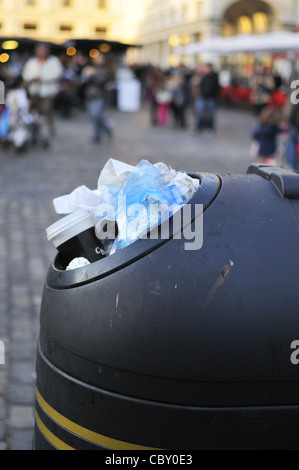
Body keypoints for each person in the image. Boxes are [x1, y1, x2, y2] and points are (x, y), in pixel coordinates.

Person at [22, 44, 63, 148]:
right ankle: (34, 134)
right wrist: (33, 78)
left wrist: (43, 78)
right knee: (33, 115)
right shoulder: (31, 62)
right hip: (34, 93)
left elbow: (57, 73)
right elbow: (26, 74)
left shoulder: (53, 61)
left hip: (47, 93)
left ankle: (46, 136)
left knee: (45, 113)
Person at [82, 53, 113, 144]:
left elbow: (102, 81)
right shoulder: (91, 68)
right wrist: (85, 74)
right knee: (93, 115)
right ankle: (106, 129)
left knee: (96, 114)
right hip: (90, 95)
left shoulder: (105, 69)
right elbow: (83, 82)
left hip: (99, 95)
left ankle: (97, 134)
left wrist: (92, 74)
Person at [194, 63, 220, 134]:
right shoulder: (202, 76)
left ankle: (210, 128)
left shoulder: (214, 76)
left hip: (211, 98)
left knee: (211, 114)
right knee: (200, 113)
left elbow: (217, 87)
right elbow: (198, 85)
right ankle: (198, 127)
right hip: (202, 97)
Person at [287, 102, 299, 172]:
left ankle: (293, 167)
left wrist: (290, 121)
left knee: (292, 144)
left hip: (296, 124)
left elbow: (294, 108)